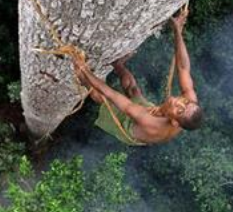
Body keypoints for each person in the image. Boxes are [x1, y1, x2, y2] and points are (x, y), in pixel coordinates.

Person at [72, 8, 203, 145]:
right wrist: (177, 29)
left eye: (179, 110)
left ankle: (82, 78)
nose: (179, 102)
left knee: (103, 99)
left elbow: (113, 96)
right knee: (134, 92)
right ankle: (117, 64)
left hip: (132, 130)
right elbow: (183, 67)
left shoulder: (150, 123)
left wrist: (84, 69)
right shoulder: (190, 103)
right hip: (159, 113)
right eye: (185, 102)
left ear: (175, 121)